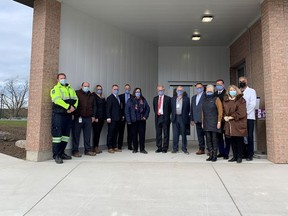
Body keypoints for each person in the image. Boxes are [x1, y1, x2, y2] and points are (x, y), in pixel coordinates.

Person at [50, 73, 78, 164]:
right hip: (59, 115)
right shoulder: (55, 89)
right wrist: (68, 107)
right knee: (57, 136)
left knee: (65, 136)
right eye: (61, 78)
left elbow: (76, 99)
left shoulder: (71, 89)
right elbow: (57, 100)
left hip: (68, 115)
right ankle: (56, 155)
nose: (63, 79)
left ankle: (62, 153)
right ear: (58, 80)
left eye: (64, 78)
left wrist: (73, 108)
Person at [223, 85, 247, 163]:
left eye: (233, 90)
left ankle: (239, 157)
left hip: (238, 123)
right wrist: (224, 117)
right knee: (232, 140)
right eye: (230, 90)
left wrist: (231, 117)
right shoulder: (226, 100)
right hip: (230, 124)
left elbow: (241, 112)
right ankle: (235, 156)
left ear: (236, 91)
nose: (232, 91)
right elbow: (224, 110)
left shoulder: (241, 100)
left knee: (239, 140)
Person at [72, 82, 96, 157]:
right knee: (76, 135)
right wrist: (73, 114)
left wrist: (93, 116)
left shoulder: (91, 95)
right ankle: (75, 151)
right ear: (82, 86)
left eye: (88, 86)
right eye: (85, 86)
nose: (86, 87)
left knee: (87, 135)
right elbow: (73, 103)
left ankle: (87, 150)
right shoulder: (76, 93)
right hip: (78, 117)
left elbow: (94, 106)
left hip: (88, 118)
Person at [125, 88, 150, 154]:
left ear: (140, 92)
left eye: (139, 92)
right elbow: (127, 111)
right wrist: (128, 120)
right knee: (134, 135)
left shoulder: (143, 100)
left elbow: (148, 108)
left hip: (142, 120)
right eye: (136, 92)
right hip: (134, 121)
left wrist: (145, 116)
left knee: (142, 135)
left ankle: (142, 149)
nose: (138, 93)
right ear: (134, 92)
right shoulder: (130, 100)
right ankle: (135, 148)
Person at [202, 84, 223, 162]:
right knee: (208, 139)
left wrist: (219, 121)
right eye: (207, 91)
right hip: (206, 122)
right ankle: (210, 154)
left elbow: (220, 111)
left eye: (210, 91)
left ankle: (215, 156)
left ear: (213, 91)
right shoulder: (204, 99)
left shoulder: (216, 99)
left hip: (214, 122)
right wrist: (202, 122)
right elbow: (202, 112)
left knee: (214, 139)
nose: (209, 92)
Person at [239, 76, 257, 161]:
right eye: (240, 81)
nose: (241, 82)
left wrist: (245, 113)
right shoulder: (238, 91)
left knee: (249, 136)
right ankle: (243, 153)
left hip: (249, 117)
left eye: (243, 81)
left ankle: (250, 154)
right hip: (240, 118)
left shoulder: (251, 91)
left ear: (246, 82)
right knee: (242, 136)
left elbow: (253, 104)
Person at [171, 86, 190, 154]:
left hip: (183, 118)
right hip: (175, 118)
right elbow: (171, 109)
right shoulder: (173, 99)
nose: (179, 91)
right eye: (178, 90)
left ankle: (184, 148)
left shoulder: (186, 99)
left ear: (183, 91)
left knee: (184, 134)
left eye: (181, 90)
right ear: (176, 91)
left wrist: (188, 118)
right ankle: (175, 148)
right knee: (175, 134)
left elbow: (188, 109)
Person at [214, 79, 231, 159]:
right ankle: (221, 152)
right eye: (217, 84)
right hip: (217, 118)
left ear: (223, 85)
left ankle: (226, 153)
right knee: (219, 136)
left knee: (227, 136)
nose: (218, 86)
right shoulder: (214, 94)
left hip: (225, 118)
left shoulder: (227, 94)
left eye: (220, 84)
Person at [153, 85, 171, 153]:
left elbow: (170, 109)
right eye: (159, 90)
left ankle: (165, 148)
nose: (160, 91)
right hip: (158, 117)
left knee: (166, 133)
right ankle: (159, 147)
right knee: (158, 133)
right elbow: (155, 109)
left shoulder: (168, 98)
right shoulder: (155, 99)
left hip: (165, 117)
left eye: (161, 90)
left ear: (164, 90)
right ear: (157, 91)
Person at [106, 84, 123, 153]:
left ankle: (114, 146)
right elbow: (108, 109)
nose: (116, 90)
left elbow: (119, 108)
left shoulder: (118, 98)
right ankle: (109, 147)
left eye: (117, 89)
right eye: (115, 89)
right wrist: (108, 117)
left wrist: (121, 116)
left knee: (116, 133)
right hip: (112, 119)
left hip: (118, 119)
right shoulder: (110, 98)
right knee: (111, 133)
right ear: (112, 90)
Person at [190, 83, 205, 155]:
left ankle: (209, 149)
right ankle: (201, 149)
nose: (198, 89)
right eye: (197, 88)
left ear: (203, 88)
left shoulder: (206, 96)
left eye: (200, 87)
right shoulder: (193, 97)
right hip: (196, 119)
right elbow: (192, 109)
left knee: (207, 135)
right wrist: (192, 119)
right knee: (199, 135)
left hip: (205, 119)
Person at [92, 85, 106, 154]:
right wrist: (95, 117)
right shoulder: (94, 96)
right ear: (96, 89)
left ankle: (96, 146)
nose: (99, 90)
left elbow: (104, 107)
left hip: (102, 118)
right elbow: (94, 107)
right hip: (96, 118)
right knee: (96, 133)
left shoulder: (103, 97)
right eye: (98, 89)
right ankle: (95, 147)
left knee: (98, 133)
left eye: (100, 89)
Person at [118, 84, 133, 150]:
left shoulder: (132, 97)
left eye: (128, 88)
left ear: (130, 89)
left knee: (130, 132)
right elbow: (118, 107)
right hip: (122, 116)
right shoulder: (120, 96)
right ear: (124, 88)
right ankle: (119, 146)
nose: (127, 89)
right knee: (121, 131)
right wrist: (121, 115)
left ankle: (130, 146)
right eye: (126, 88)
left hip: (130, 116)